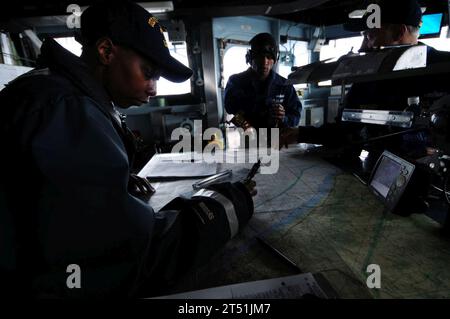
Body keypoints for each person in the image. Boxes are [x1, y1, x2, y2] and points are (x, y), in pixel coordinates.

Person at [0, 0, 255, 298]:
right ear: (106, 52)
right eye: (148, 72)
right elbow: (135, 256)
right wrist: (227, 206)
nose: (154, 88)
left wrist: (111, 182)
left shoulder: (53, 90)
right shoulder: (66, 111)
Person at [281, 0, 450, 160]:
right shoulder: (369, 75)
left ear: (399, 33)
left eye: (369, 36)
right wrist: (300, 134)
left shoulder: (443, 69)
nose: (362, 47)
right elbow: (345, 130)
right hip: (375, 167)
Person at [224, 33, 302, 131]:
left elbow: (295, 115)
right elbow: (232, 112)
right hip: (248, 136)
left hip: (276, 138)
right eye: (260, 57)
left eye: (269, 57)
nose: (264, 62)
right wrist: (245, 124)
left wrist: (283, 118)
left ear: (275, 59)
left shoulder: (284, 85)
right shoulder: (235, 82)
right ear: (250, 58)